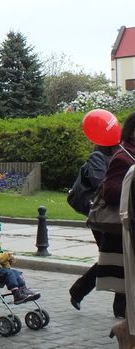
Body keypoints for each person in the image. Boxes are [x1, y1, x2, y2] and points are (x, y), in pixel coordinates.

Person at [69, 144, 118, 311]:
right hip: (102, 217)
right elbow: (101, 184)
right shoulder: (98, 156)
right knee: (113, 258)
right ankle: (78, 290)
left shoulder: (122, 153)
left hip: (116, 215)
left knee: (121, 258)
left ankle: (121, 307)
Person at [101, 113, 135, 348]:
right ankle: (126, 331)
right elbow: (110, 191)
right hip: (127, 228)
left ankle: (125, 329)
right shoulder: (124, 157)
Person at [0, 219, 40, 304]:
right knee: (9, 273)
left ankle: (23, 290)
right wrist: (6, 256)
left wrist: (9, 261)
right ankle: (16, 294)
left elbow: (2, 260)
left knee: (16, 273)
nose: (0, 235)